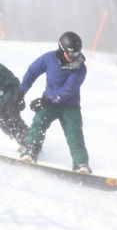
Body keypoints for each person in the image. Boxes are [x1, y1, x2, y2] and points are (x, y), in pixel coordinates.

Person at [18, 31, 91, 173]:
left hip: (70, 106)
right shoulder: (49, 58)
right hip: (49, 103)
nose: (73, 57)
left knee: (74, 132)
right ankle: (31, 151)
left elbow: (68, 89)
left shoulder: (80, 68)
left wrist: (46, 99)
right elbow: (32, 72)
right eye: (70, 54)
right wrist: (21, 91)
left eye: (76, 54)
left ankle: (81, 164)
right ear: (61, 48)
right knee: (39, 122)